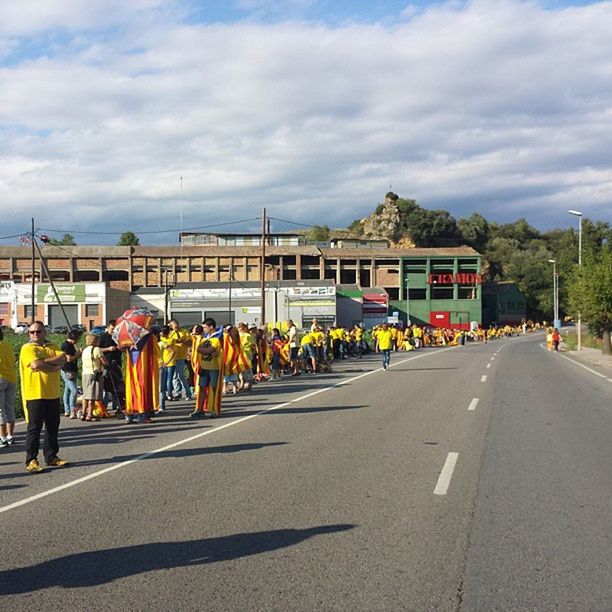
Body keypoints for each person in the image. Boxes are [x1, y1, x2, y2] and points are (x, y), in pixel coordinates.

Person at [19, 321, 69, 473]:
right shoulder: (27, 348)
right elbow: (34, 365)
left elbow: (64, 358)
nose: (35, 334)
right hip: (34, 393)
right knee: (34, 428)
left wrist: (44, 363)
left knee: (52, 427)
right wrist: (53, 366)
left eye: (38, 332)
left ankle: (51, 456)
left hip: (52, 393)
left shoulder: (52, 347)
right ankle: (31, 459)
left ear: (44, 332)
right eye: (32, 332)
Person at [191, 318, 224, 418]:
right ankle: (200, 409)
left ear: (211, 327)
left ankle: (214, 409)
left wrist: (204, 350)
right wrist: (205, 350)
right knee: (202, 388)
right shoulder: (205, 338)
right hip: (204, 367)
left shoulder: (217, 338)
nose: (203, 329)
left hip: (214, 368)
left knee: (214, 388)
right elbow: (199, 349)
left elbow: (209, 350)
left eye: (205, 327)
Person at [81, 333, 107, 421]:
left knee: (85, 395)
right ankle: (89, 414)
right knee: (92, 396)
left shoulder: (85, 350)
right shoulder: (97, 349)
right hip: (95, 373)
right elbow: (104, 361)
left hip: (85, 373)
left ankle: (83, 413)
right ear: (96, 341)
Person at [99, 320, 123, 412]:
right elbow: (98, 349)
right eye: (112, 329)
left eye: (115, 329)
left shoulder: (117, 337)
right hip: (106, 364)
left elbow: (123, 348)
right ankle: (104, 407)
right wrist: (108, 349)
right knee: (106, 386)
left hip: (116, 363)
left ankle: (117, 406)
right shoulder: (103, 337)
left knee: (117, 386)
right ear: (108, 327)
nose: (113, 331)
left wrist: (121, 348)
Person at [0, 328, 17, 447]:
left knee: (0, 410)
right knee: (10, 407)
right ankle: (10, 435)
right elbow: (13, 359)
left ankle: (2, 437)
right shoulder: (7, 345)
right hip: (11, 377)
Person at [168, 319, 192, 400]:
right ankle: (178, 393)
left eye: (176, 324)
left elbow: (190, 343)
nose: (176, 326)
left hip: (181, 356)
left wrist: (183, 341)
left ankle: (188, 393)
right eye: (173, 325)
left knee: (181, 375)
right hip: (172, 357)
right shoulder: (170, 333)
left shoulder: (184, 332)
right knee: (174, 376)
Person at [60, 330, 81, 418]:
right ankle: (72, 409)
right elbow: (68, 359)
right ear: (74, 339)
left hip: (71, 370)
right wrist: (78, 354)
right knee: (74, 390)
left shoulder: (70, 345)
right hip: (67, 370)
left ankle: (67, 410)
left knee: (67, 390)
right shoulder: (67, 346)